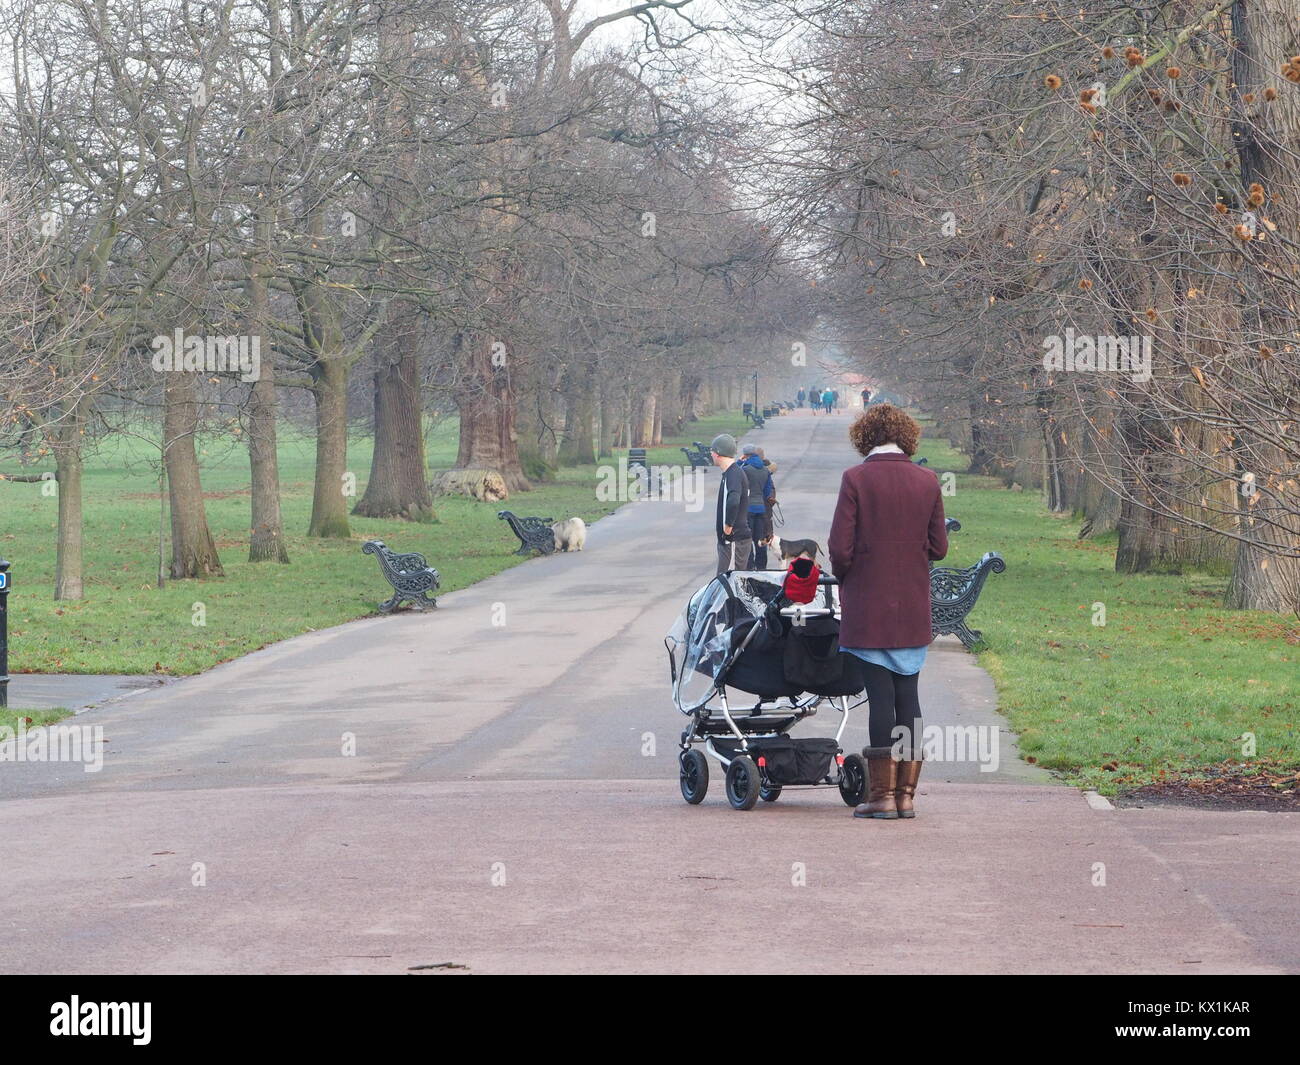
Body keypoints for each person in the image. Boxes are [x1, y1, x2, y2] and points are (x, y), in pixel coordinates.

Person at [828, 403, 948, 821]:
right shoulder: (927, 480)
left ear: (865, 436)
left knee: (880, 698)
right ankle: (906, 796)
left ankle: (879, 797)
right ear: (907, 436)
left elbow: (839, 549)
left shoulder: (856, 479)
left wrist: (849, 573)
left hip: (868, 605)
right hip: (912, 606)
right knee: (908, 698)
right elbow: (939, 548)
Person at [711, 434, 752, 574]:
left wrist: (728, 527)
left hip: (734, 540)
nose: (711, 454)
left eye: (712, 451)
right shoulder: (730, 473)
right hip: (729, 541)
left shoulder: (733, 474)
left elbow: (734, 501)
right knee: (723, 582)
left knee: (730, 583)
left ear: (718, 453)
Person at [739, 444, 774, 569]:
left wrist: (739, 461)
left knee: (747, 539)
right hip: (761, 508)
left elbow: (737, 481)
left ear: (746, 455)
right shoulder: (766, 470)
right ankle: (761, 566)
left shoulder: (745, 469)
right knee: (759, 539)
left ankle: (749, 566)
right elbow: (767, 491)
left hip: (748, 509)